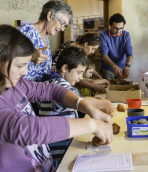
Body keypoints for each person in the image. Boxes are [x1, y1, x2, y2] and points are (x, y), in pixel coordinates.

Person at [0, 25, 113, 172]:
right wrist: (92, 125)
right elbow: (28, 129)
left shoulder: (16, 84)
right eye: (20, 65)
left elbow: (52, 90)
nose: (26, 71)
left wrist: (88, 107)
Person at [39, 46, 114, 167]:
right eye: (79, 73)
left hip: (61, 148)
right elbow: (80, 101)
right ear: (65, 68)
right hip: (61, 155)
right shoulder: (61, 85)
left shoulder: (50, 81)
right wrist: (103, 103)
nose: (80, 77)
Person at [17, 0, 73, 82]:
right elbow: (4, 58)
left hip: (38, 92)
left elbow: (42, 69)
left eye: (65, 26)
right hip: (21, 92)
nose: (62, 29)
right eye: (62, 23)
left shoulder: (45, 39)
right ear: (49, 15)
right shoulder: (25, 31)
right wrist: (30, 57)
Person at [99, 13, 133, 79]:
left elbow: (129, 54)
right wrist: (114, 67)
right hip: (108, 69)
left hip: (122, 69)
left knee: (122, 88)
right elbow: (104, 55)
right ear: (110, 25)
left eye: (121, 28)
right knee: (108, 88)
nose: (118, 31)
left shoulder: (126, 35)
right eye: (116, 28)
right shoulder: (103, 35)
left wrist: (127, 66)